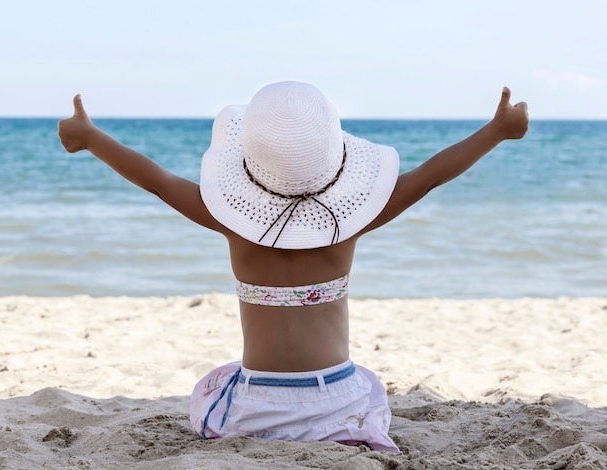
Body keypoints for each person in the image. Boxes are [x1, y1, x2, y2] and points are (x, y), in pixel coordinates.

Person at [58, 81, 528, 453]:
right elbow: (428, 177)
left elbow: (158, 181)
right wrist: (496, 131)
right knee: (368, 386)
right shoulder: (350, 223)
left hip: (254, 407)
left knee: (213, 385)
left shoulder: (228, 220)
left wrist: (91, 137)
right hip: (337, 401)